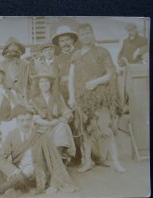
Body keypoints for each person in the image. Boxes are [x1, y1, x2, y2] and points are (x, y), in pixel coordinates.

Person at [0, 105, 78, 198]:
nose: (25, 123)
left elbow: (55, 162)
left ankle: (0, 190)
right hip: (18, 174)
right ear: (17, 121)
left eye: (28, 120)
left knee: (30, 168)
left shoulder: (42, 136)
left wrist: (54, 185)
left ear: (32, 120)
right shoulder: (12, 135)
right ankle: (10, 189)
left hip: (37, 176)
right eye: (22, 120)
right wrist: (14, 171)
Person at [68, 23, 126, 173]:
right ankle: (88, 161)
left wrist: (95, 82)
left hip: (101, 98)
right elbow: (71, 77)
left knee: (107, 130)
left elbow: (111, 73)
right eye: (83, 34)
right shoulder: (76, 55)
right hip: (82, 99)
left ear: (92, 34)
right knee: (86, 131)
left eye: (88, 33)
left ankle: (116, 162)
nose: (86, 36)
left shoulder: (102, 52)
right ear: (79, 38)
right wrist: (72, 97)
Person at [30, 70, 76, 163]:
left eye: (46, 82)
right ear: (38, 84)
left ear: (50, 84)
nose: (44, 84)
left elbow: (66, 111)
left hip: (56, 126)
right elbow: (33, 117)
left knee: (62, 126)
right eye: (41, 82)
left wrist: (65, 117)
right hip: (40, 128)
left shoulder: (57, 97)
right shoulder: (33, 99)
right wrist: (50, 123)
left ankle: (58, 158)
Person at [1, 37, 34, 105]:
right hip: (8, 96)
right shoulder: (2, 66)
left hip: (23, 95)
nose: (13, 49)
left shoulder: (26, 65)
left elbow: (31, 82)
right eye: (10, 47)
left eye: (15, 46)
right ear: (6, 50)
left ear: (19, 49)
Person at [51, 26, 79, 101]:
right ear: (59, 43)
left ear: (72, 40)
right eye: (62, 41)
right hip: (64, 94)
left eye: (67, 40)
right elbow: (56, 79)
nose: (65, 43)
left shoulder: (81, 54)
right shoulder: (57, 59)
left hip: (81, 90)